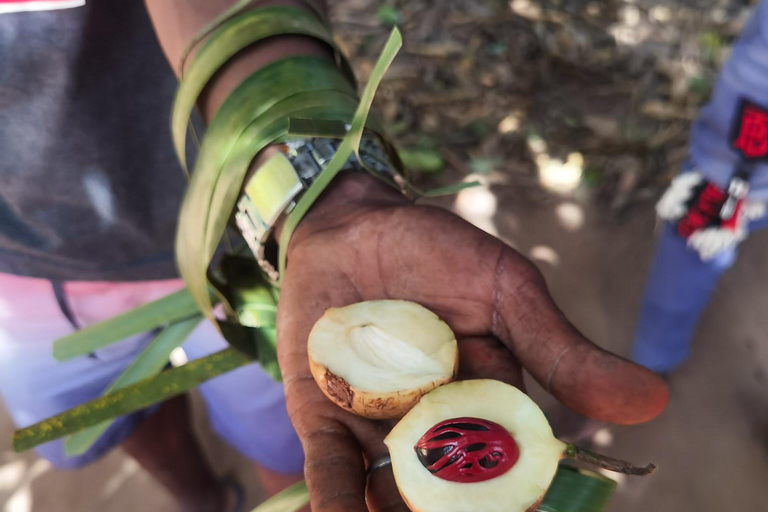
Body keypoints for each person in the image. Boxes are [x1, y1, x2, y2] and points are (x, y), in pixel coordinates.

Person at [0, 1, 668, 511]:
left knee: (289, 440)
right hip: (21, 273)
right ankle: (201, 496)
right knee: (108, 416)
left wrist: (322, 192)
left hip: (242, 253)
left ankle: (255, 487)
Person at [631, 0, 768, 374]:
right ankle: (650, 363)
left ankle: (650, 362)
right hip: (745, 164)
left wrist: (726, 175)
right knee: (697, 242)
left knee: (692, 251)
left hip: (742, 171)